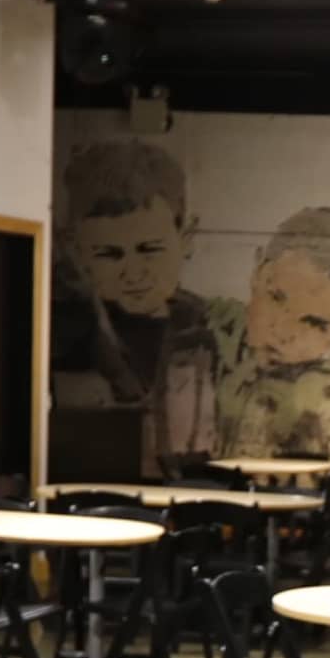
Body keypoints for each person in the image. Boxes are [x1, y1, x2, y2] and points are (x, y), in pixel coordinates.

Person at [53, 138, 216, 467]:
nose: (133, 273)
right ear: (73, 248)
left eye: (150, 249)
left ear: (186, 238)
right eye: (108, 254)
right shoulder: (66, 332)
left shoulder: (207, 326)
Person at [216, 207, 330, 458]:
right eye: (277, 298)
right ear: (257, 272)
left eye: (313, 322)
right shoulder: (203, 338)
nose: (282, 331)